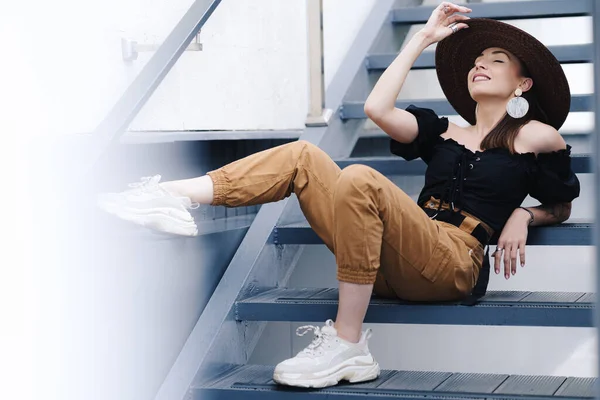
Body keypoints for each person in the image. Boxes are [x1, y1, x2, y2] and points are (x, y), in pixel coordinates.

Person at [97, 2, 580, 389]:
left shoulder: (536, 136)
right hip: (394, 255)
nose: (480, 65)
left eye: (496, 61)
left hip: (454, 262)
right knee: (306, 154)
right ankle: (174, 196)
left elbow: (561, 204)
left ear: (522, 83)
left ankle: (348, 341)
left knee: (361, 178)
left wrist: (524, 214)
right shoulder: (445, 130)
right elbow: (376, 106)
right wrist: (421, 39)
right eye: (476, 60)